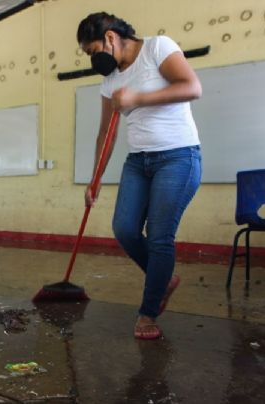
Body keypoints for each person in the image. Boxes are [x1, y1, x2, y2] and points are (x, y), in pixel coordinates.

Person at [77, 12, 202, 339]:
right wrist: (95, 179)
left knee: (160, 235)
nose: (94, 59)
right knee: (124, 228)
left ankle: (148, 314)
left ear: (110, 37)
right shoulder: (110, 80)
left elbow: (192, 86)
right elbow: (106, 132)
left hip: (178, 156)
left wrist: (138, 98)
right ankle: (164, 279)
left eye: (93, 51)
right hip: (139, 161)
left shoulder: (157, 47)